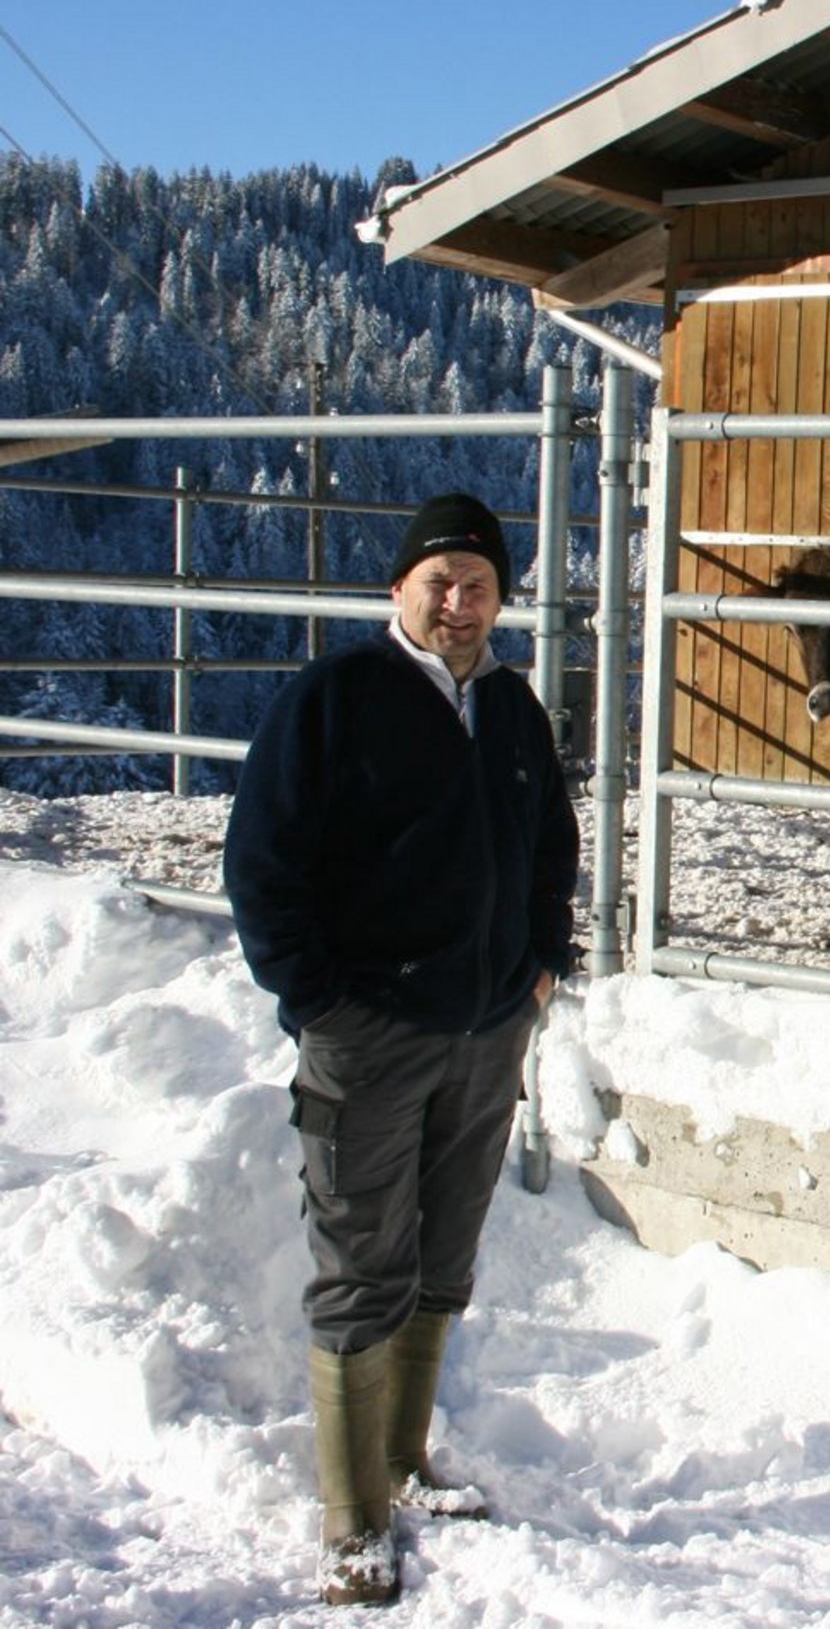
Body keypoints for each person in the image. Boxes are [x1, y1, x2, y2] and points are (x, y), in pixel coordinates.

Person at [223, 492, 579, 1607]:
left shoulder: (513, 711)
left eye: (478, 584)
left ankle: (403, 1458)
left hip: (484, 1033)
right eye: (439, 582)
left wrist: (540, 958)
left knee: (442, 1255)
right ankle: (349, 1517)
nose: (459, 602)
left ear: (500, 600)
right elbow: (262, 862)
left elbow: (548, 846)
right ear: (398, 590)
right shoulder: (335, 700)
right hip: (368, 1036)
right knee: (360, 1259)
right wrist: (320, 1001)